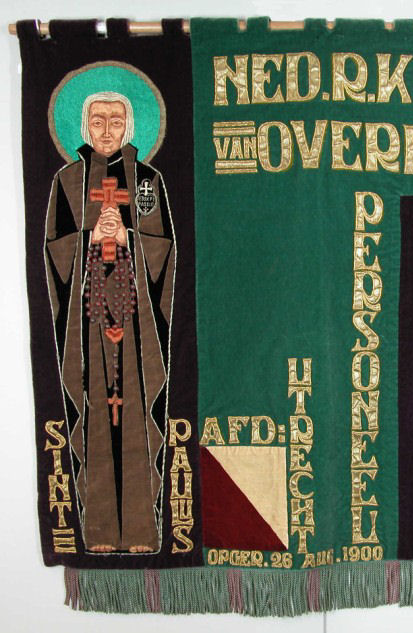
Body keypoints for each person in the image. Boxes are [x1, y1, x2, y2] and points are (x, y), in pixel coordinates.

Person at [44, 91, 175, 554]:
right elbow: (54, 250)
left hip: (136, 323)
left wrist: (127, 236)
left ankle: (141, 530)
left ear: (129, 126)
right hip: (89, 321)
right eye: (97, 121)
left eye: (115, 121)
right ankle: (98, 530)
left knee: (135, 413)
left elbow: (164, 248)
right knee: (96, 415)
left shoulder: (146, 182)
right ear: (84, 126)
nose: (106, 130)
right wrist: (87, 238)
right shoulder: (68, 180)